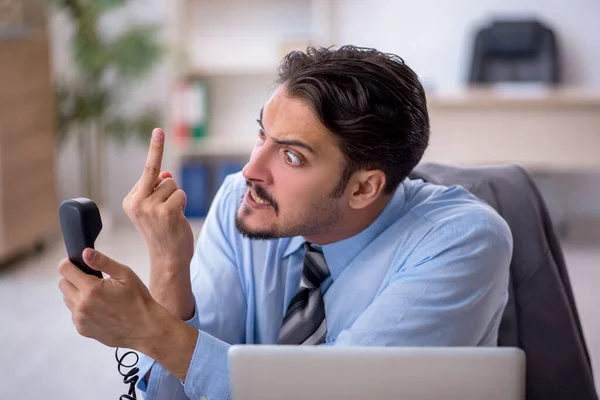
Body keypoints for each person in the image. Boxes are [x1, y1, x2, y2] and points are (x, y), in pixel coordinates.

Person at [58, 46, 513, 400]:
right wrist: (168, 264)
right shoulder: (247, 199)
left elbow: (338, 392)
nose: (252, 169)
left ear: (363, 189)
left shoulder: (464, 240)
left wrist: (150, 330)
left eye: (292, 155)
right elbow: (181, 388)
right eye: (262, 135)